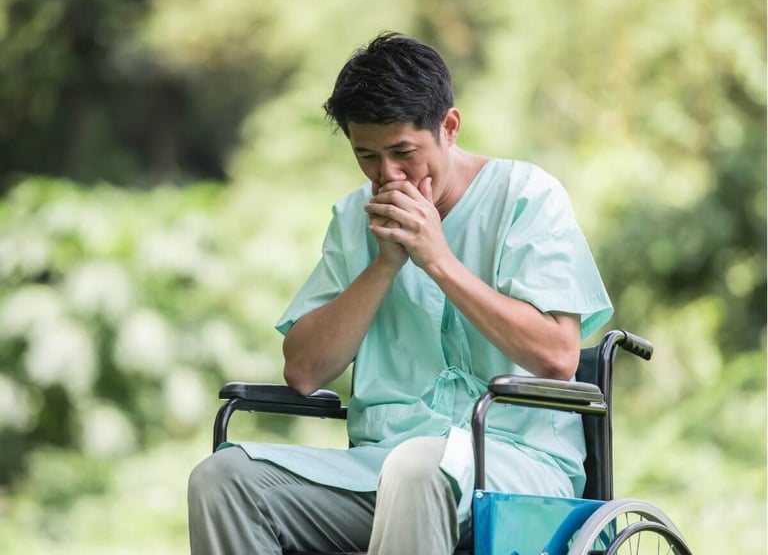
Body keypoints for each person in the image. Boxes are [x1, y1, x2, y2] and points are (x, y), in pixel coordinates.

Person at [188, 32, 613, 555]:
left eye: (402, 152)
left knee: (415, 469)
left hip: (515, 466)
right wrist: (384, 267)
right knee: (223, 479)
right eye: (366, 156)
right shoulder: (353, 219)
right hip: (380, 466)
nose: (386, 175)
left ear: (449, 128)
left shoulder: (527, 197)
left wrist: (437, 259)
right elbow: (302, 371)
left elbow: (557, 355)